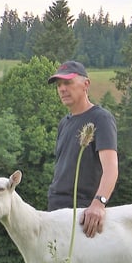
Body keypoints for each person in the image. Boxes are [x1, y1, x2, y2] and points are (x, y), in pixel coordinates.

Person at [47, 60, 119, 238]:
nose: (62, 89)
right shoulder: (64, 123)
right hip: (55, 211)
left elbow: (111, 169)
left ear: (86, 84)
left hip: (83, 215)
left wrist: (98, 204)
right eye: (59, 85)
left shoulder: (101, 119)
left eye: (68, 83)